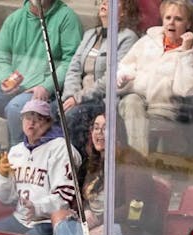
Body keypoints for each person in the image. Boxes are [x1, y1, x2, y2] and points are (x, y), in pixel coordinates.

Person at [0, 0, 82, 155]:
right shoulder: (15, 18)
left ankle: (18, 159)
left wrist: (47, 86)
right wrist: (5, 81)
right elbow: (0, 56)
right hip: (16, 87)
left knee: (16, 109)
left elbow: (72, 61)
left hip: (46, 93)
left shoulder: (67, 18)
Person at [56, 106, 160, 235]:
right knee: (61, 221)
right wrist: (81, 212)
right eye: (96, 128)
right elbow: (82, 199)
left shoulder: (132, 162)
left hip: (132, 230)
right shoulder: (95, 161)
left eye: (105, 128)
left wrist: (98, 219)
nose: (99, 133)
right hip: (99, 223)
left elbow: (134, 210)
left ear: (117, 133)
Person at [115, 0, 193, 156]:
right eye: (168, 18)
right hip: (136, 99)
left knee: (138, 116)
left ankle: (139, 162)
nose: (171, 23)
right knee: (130, 101)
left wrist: (186, 53)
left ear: (188, 24)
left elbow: (186, 88)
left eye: (178, 19)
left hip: (167, 108)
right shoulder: (148, 41)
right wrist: (123, 76)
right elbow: (125, 66)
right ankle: (142, 161)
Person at [0, 97, 81, 235]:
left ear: (48, 122)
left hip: (47, 220)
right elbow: (5, 198)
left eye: (38, 118)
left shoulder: (60, 148)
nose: (31, 122)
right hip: (20, 219)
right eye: (27, 117)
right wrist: (2, 175)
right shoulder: (16, 151)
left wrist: (37, 207)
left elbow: (65, 197)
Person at [60, 0, 140, 146]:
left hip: (103, 99)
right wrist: (70, 95)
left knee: (72, 116)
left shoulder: (128, 37)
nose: (104, 3)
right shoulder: (90, 34)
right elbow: (74, 68)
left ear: (123, 12)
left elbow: (111, 77)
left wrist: (78, 98)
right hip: (77, 97)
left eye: (111, 2)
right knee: (45, 112)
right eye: (103, 0)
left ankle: (78, 164)